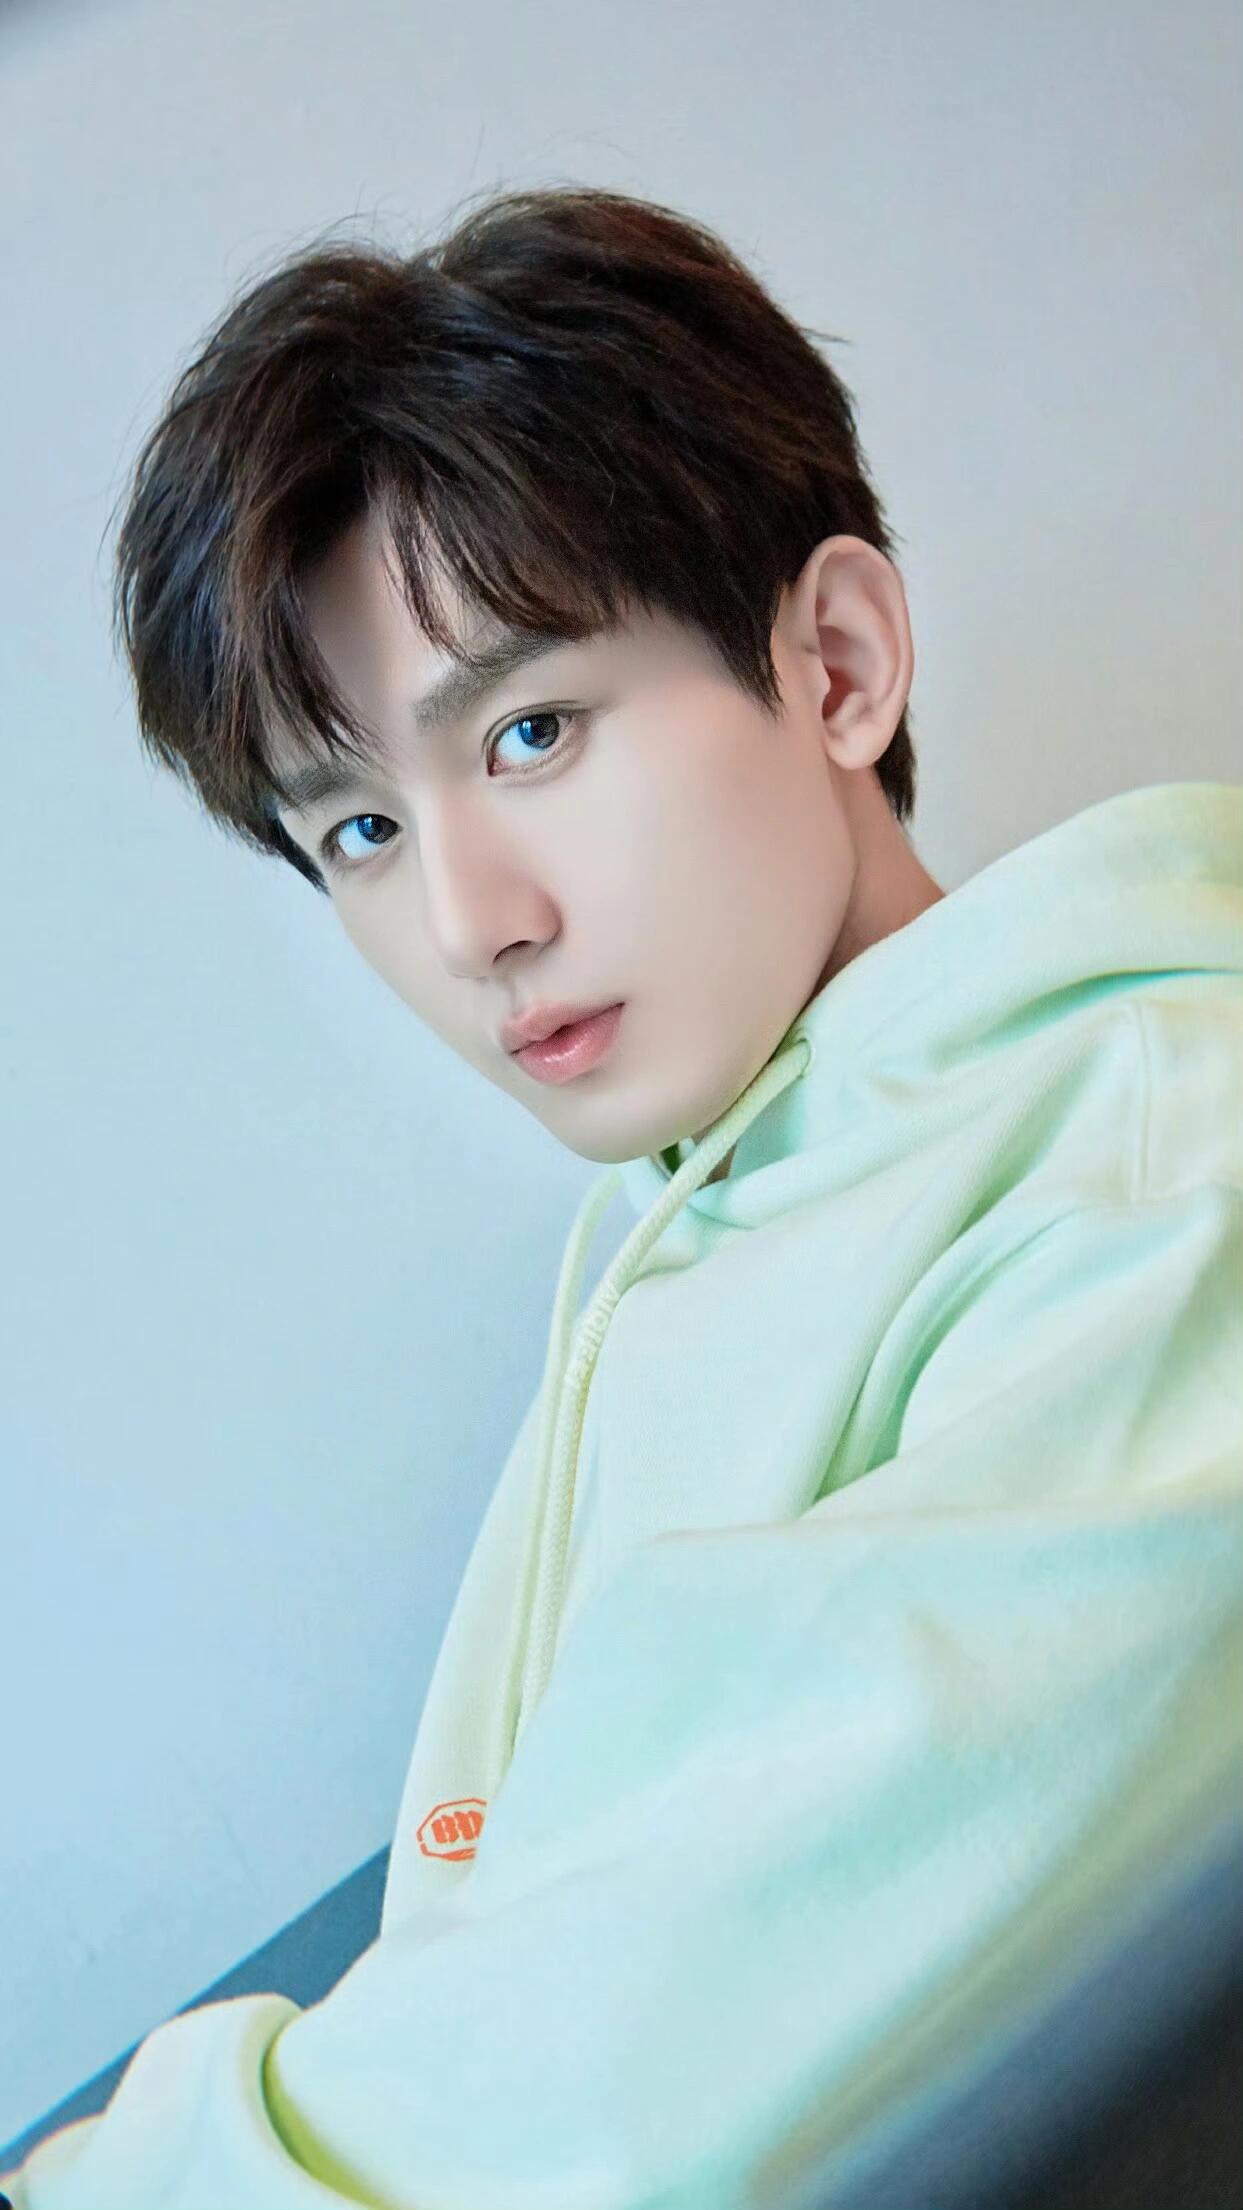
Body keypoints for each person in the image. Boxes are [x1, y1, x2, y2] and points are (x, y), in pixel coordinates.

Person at [5, 182, 1241, 2210]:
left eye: (530, 728)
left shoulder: (1164, 1163)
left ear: (834, 662)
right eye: (360, 828)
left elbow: (630, 2073)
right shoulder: (688, 1209)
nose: (469, 920)